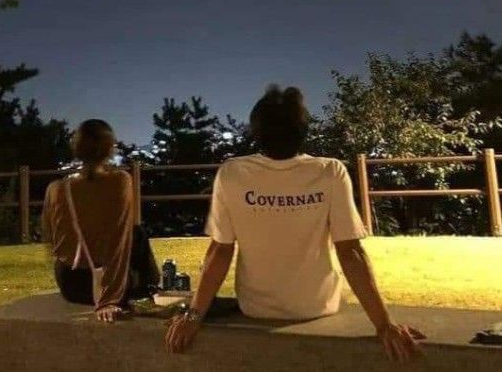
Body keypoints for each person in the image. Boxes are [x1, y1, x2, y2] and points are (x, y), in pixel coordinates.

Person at [166, 85, 426, 362]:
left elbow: (220, 250)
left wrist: (193, 315)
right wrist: (384, 324)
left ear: (257, 132)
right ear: (302, 130)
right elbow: (350, 251)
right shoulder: (330, 171)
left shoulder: (232, 174)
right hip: (318, 306)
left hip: (255, 308)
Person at [42, 119, 159, 322]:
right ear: (109, 149)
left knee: (135, 233)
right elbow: (119, 243)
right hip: (106, 285)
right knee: (137, 233)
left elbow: (52, 241)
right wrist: (109, 299)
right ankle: (152, 287)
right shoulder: (120, 181)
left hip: (70, 284)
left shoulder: (56, 189)